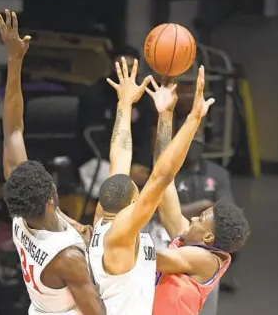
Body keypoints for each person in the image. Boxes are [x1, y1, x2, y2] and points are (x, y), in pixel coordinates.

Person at [0, 10, 105, 315]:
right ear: (48, 201)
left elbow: (13, 128)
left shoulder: (22, 217)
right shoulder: (67, 257)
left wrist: (15, 60)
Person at [88, 57, 213, 315]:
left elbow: (119, 155)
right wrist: (192, 120)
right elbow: (161, 177)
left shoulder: (106, 213)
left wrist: (125, 102)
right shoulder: (121, 236)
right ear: (133, 205)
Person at [150, 81, 251, 315]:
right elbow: (162, 179)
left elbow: (151, 259)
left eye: (200, 218)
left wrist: (116, 232)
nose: (193, 218)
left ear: (208, 236)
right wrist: (165, 116)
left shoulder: (206, 260)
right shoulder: (191, 240)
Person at [77, 45, 156, 188]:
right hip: (98, 160)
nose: (127, 71)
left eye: (131, 66)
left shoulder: (142, 98)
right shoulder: (94, 96)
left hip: (134, 160)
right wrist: (127, 169)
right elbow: (94, 141)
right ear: (113, 68)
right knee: (120, 183)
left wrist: (141, 165)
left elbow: (145, 137)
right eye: (122, 66)